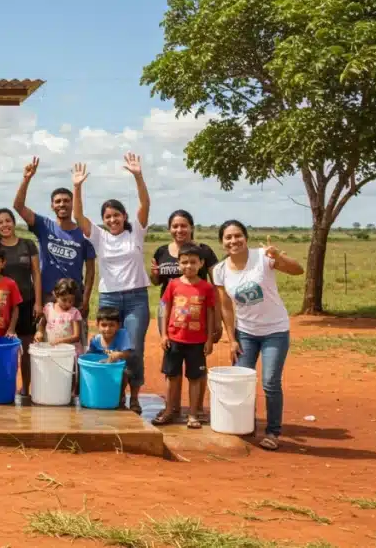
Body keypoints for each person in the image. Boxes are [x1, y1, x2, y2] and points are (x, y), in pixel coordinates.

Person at [213, 221, 304, 451]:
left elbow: (298, 270)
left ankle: (273, 432)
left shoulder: (263, 256)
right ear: (222, 242)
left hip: (275, 330)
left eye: (238, 236)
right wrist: (232, 339)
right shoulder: (219, 270)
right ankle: (245, 424)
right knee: (242, 382)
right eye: (228, 237)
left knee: (270, 382)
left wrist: (279, 257)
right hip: (245, 333)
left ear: (246, 237)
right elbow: (225, 307)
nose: (233, 241)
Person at [72, 153, 151, 414]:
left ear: (124, 216)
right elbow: (78, 216)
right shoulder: (99, 237)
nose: (112, 220)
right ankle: (115, 394)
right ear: (103, 220)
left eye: (116, 215)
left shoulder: (136, 232)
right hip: (110, 299)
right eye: (107, 216)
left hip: (136, 299)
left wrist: (138, 176)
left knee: (133, 348)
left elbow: (145, 203)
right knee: (109, 347)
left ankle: (135, 397)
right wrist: (77, 187)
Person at [13, 156, 96, 351]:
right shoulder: (44, 226)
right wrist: (26, 178)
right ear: (52, 205)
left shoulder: (84, 232)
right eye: (57, 201)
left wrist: (85, 300)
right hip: (48, 296)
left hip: (73, 297)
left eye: (66, 201)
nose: (62, 204)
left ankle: (75, 374)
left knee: (76, 346)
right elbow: (18, 207)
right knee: (46, 344)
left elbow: (91, 270)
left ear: (72, 204)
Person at [149, 209, 222, 422]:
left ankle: (195, 410)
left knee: (196, 370)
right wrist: (154, 274)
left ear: (191, 227)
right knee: (172, 368)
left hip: (198, 319)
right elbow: (156, 283)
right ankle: (172, 408)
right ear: (169, 228)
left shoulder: (204, 251)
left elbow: (217, 284)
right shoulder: (162, 251)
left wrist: (217, 322)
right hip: (171, 316)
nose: (179, 229)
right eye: (175, 226)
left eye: (183, 225)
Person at [0, 208, 42, 398]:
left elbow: (36, 274)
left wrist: (38, 302)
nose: (5, 225)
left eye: (8, 221)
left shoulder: (28, 245)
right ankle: (4, 388)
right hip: (3, 306)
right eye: (0, 222)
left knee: (27, 349)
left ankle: (26, 388)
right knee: (4, 350)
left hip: (27, 303)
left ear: (14, 222)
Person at [35, 278, 83, 349]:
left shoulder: (74, 313)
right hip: (52, 350)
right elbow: (42, 324)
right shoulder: (49, 309)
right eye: (64, 300)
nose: (68, 304)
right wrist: (40, 332)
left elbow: (77, 336)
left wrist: (61, 341)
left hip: (68, 352)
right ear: (55, 295)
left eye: (71, 300)